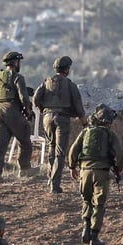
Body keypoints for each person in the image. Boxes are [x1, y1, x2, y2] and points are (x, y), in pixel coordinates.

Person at [67, 104, 123, 245]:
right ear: (108, 121)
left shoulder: (85, 132)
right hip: (102, 173)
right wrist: (118, 170)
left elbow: (73, 150)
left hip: (84, 171)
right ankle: (94, 237)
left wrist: (72, 167)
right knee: (99, 205)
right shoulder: (110, 135)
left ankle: (86, 227)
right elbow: (119, 155)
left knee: (87, 200)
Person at [34, 55, 88, 193]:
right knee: (60, 152)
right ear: (67, 70)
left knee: (51, 148)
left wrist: (42, 110)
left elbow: (35, 98)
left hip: (47, 117)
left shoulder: (46, 82)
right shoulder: (70, 85)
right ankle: (55, 185)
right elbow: (78, 106)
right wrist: (84, 123)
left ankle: (50, 177)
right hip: (62, 119)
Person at [0, 50, 34, 184]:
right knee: (24, 140)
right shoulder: (18, 77)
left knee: (0, 145)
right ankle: (24, 170)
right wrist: (28, 112)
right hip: (11, 111)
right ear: (15, 62)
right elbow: (24, 98)